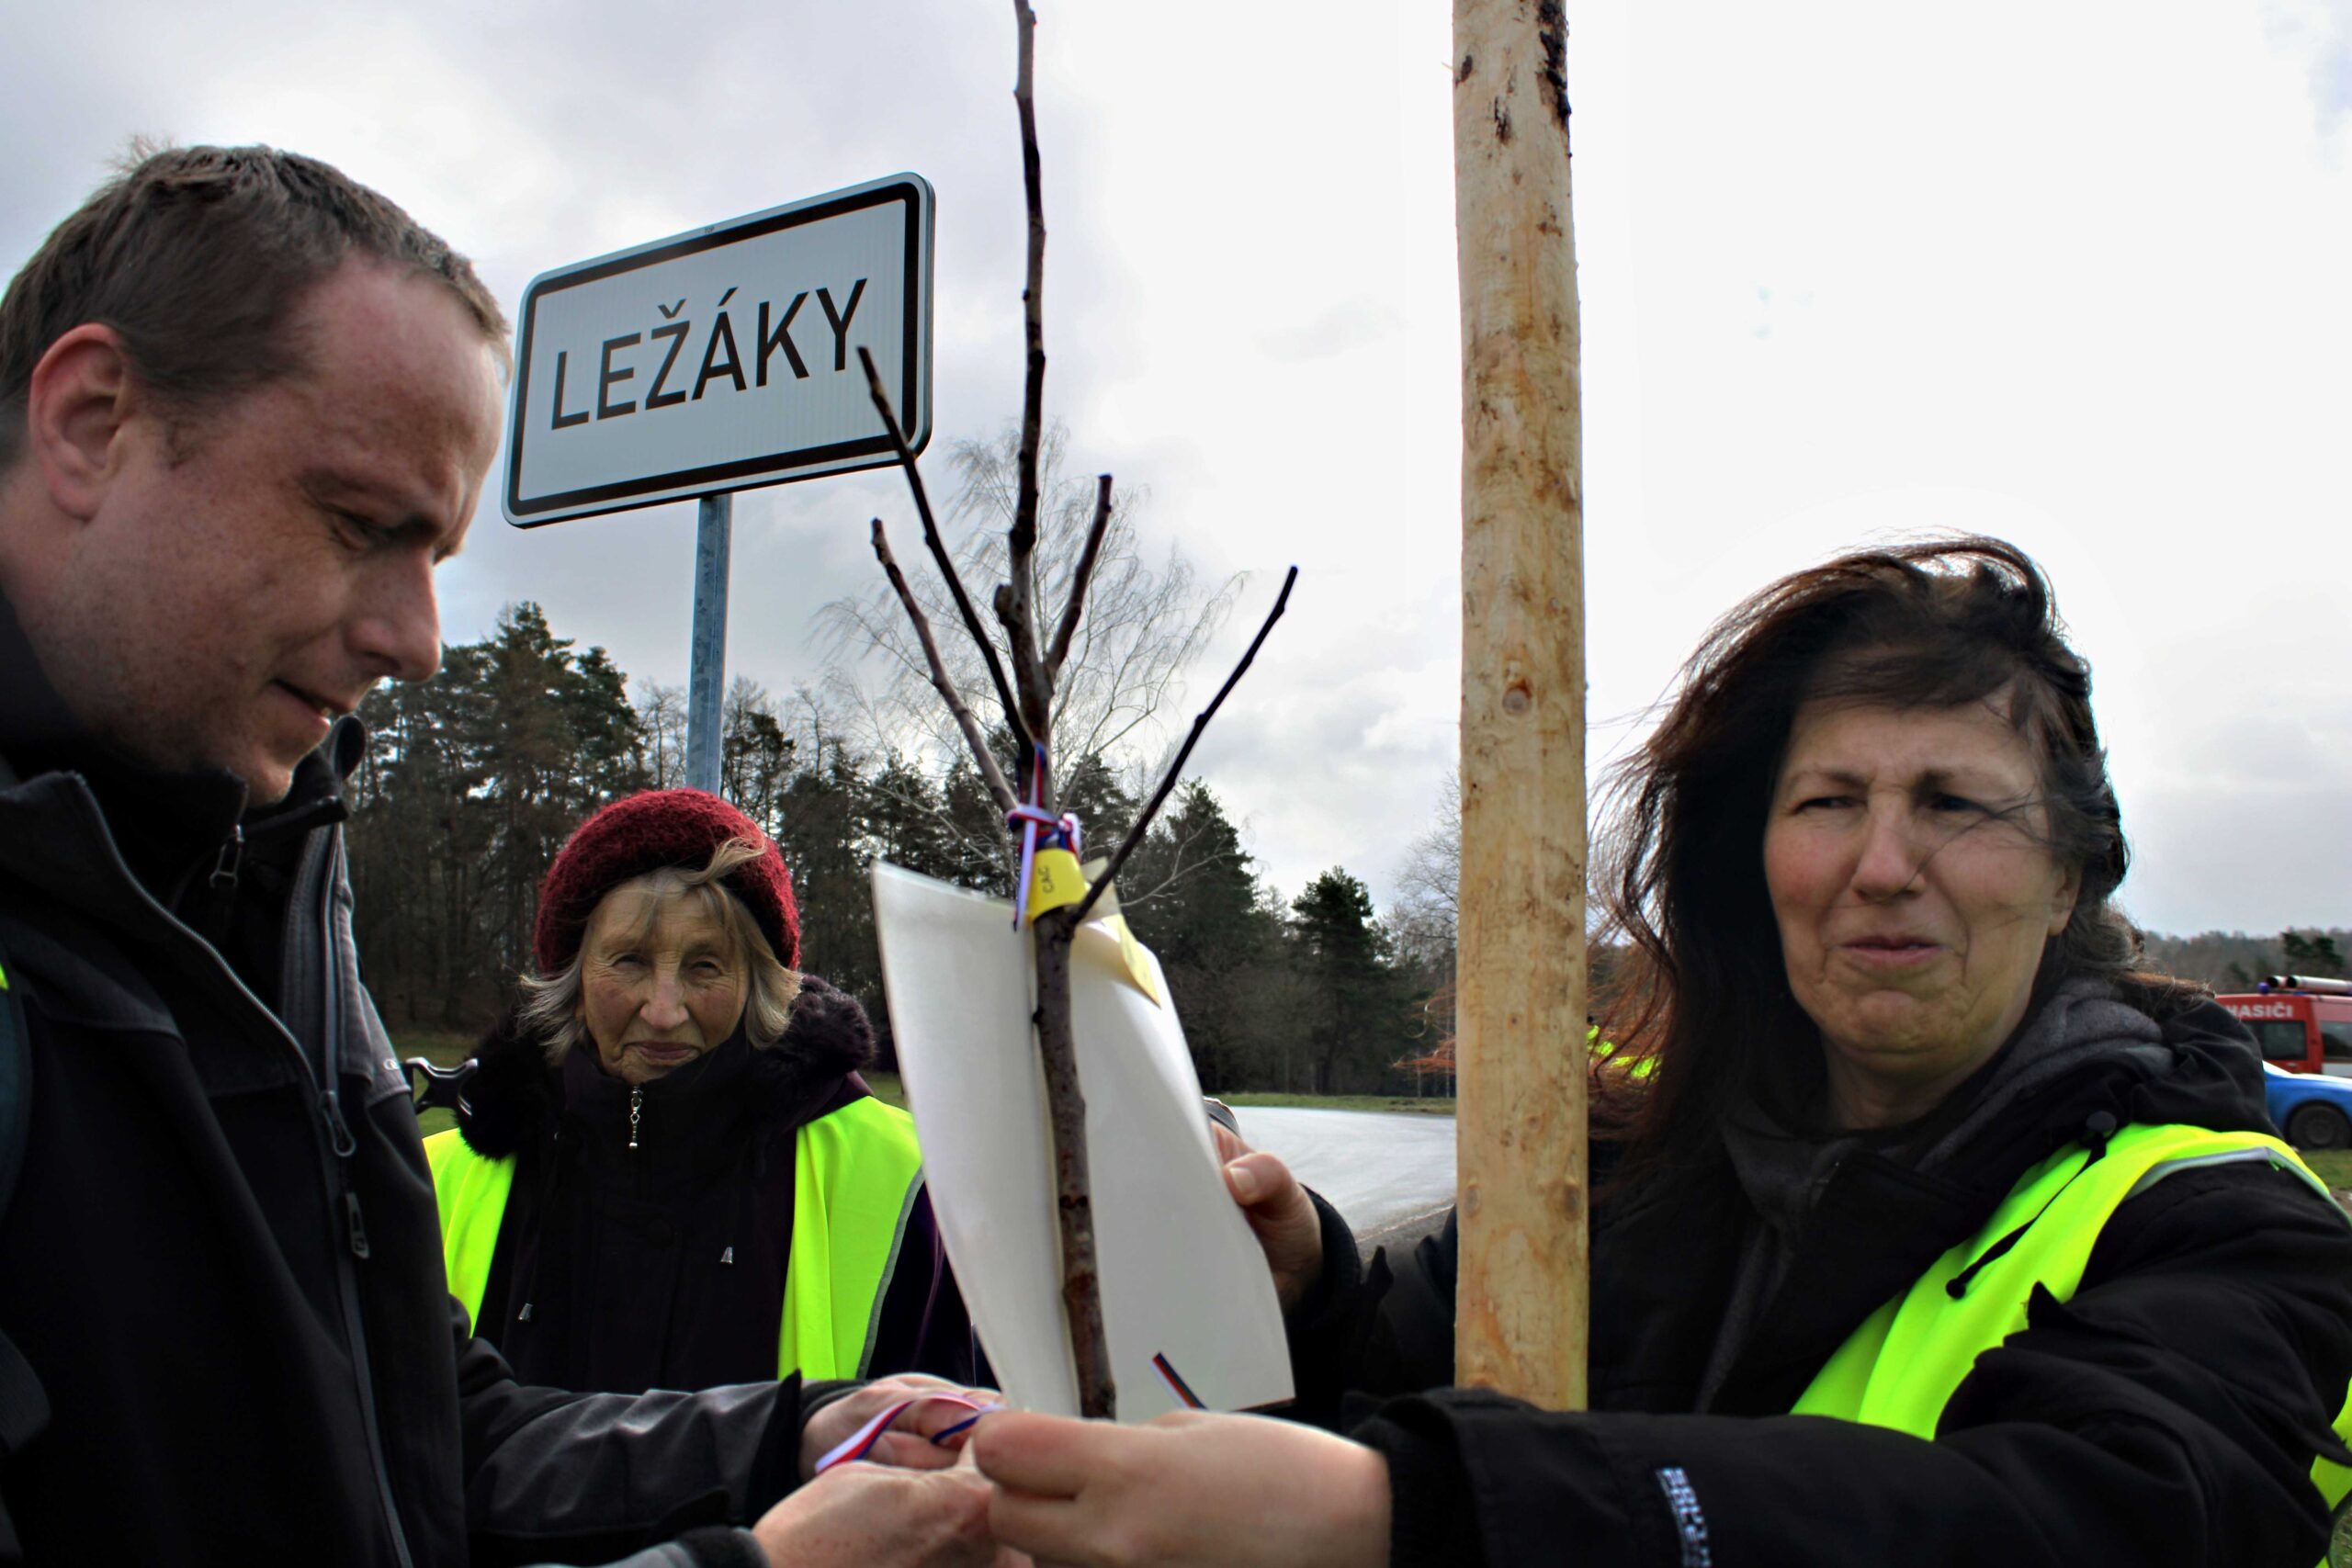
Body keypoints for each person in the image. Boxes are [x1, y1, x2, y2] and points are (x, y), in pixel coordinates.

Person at [0, 143, 1012, 1567]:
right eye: (360, 522)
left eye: (440, 560)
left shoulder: (274, 881)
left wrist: (793, 1431)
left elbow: (422, 1444)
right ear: (92, 418)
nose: (418, 641)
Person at [971, 538, 2352, 1568]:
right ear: (1757, 862)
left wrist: (1436, 1510)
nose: (1882, 864)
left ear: (2066, 880)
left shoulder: (2221, 1222)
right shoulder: (1629, 1173)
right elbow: (1440, 1374)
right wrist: (1312, 1282)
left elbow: (2087, 1518)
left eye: (1952, 801)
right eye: (1829, 800)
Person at [425, 788, 979, 1393]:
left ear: (760, 982)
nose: (664, 1011)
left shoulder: (903, 1179)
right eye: (630, 960)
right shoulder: (436, 1181)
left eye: (705, 966)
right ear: (573, 977)